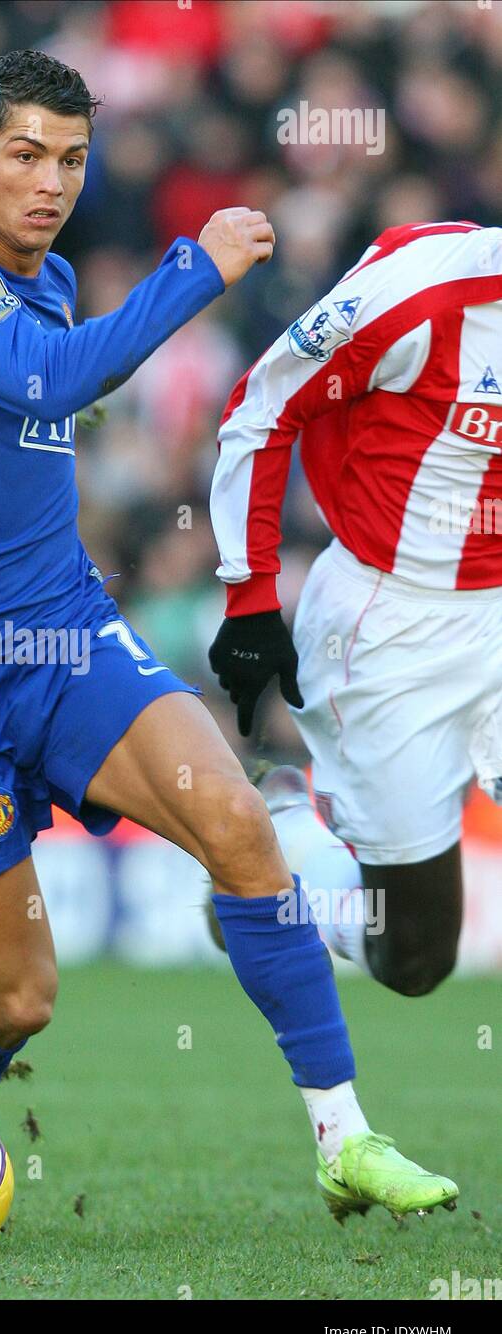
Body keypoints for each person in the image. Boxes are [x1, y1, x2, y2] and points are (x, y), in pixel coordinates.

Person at [0, 49, 457, 1221]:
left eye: (71, 160)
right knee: (18, 998)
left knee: (238, 824)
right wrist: (199, 266)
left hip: (65, 638)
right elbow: (49, 384)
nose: (49, 183)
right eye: (23, 154)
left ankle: (343, 1134)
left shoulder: (52, 277)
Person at [209, 218, 502, 999]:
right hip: (390, 625)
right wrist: (249, 601)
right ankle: (279, 851)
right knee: (413, 957)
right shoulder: (425, 296)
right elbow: (261, 407)